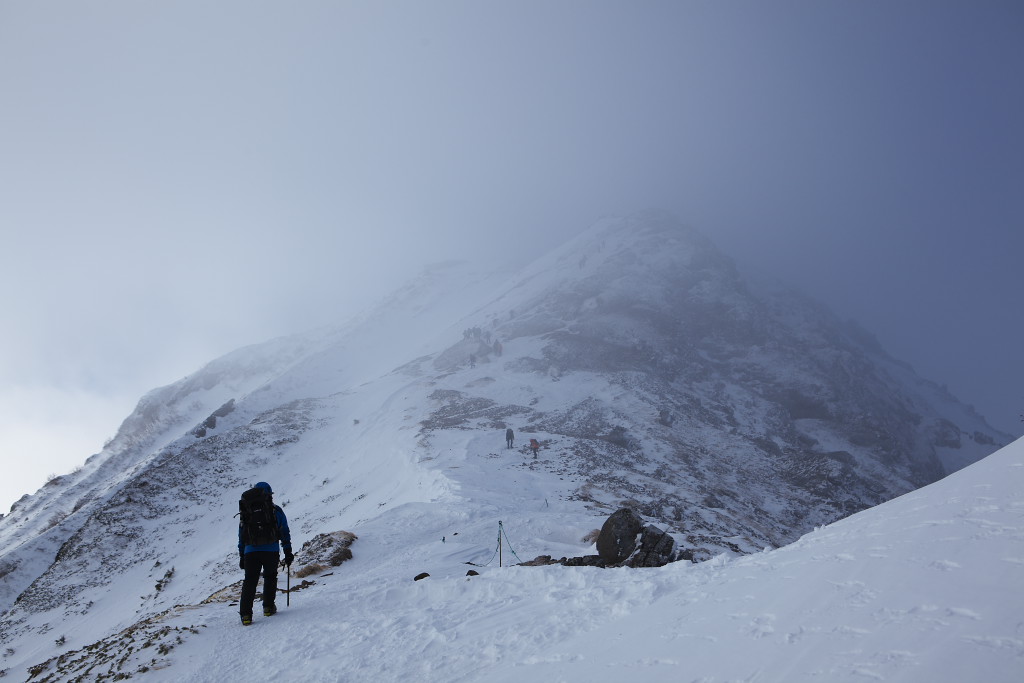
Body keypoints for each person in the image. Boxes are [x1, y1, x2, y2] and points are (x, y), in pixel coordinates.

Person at [238, 481, 293, 625]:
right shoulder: (276, 510)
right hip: (271, 550)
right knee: (270, 577)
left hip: (251, 551)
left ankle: (246, 615)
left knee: (250, 582)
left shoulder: (246, 510)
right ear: (269, 494)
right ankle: (268, 607)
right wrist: (287, 551)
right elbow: (284, 531)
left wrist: (242, 555)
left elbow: (242, 535)